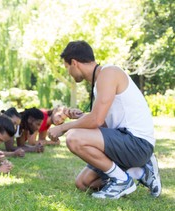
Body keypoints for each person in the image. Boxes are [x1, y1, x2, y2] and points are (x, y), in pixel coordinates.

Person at [48, 40, 161, 199]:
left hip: (137, 143)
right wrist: (81, 117)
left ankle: (122, 180)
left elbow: (96, 121)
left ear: (74, 63)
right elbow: (104, 124)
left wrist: (63, 128)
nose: (69, 73)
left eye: (67, 68)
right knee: (83, 183)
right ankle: (140, 172)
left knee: (73, 137)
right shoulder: (98, 83)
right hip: (122, 141)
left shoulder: (109, 73)